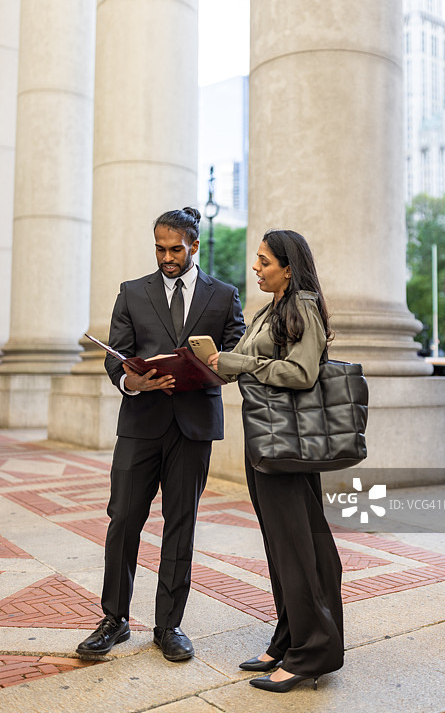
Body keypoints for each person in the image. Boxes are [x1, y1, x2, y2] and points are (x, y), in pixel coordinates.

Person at [77, 207, 245, 662]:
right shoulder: (132, 293)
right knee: (124, 520)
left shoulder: (224, 295)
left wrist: (216, 365)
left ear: (194, 245)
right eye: (159, 248)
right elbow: (117, 357)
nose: (167, 257)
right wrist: (134, 381)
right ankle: (114, 619)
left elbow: (237, 353)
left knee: (181, 524)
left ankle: (169, 626)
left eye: (175, 249)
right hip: (141, 424)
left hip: (193, 426)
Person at [207, 229, 344, 693]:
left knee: (298, 545)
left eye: (264, 261)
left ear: (289, 266)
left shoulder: (302, 304)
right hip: (266, 438)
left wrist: (240, 365)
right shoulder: (272, 308)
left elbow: (303, 374)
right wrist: (213, 359)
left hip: (288, 442)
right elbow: (243, 361)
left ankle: (311, 652)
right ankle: (289, 638)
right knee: (280, 543)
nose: (256, 268)